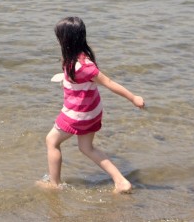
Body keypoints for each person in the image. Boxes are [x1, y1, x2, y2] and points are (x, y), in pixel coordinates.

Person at [39, 17, 145, 192]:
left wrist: (133, 98)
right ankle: (120, 181)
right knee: (86, 147)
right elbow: (82, 80)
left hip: (78, 113)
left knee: (51, 141)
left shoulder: (82, 66)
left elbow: (109, 82)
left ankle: (54, 184)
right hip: (92, 111)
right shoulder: (81, 57)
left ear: (65, 40)